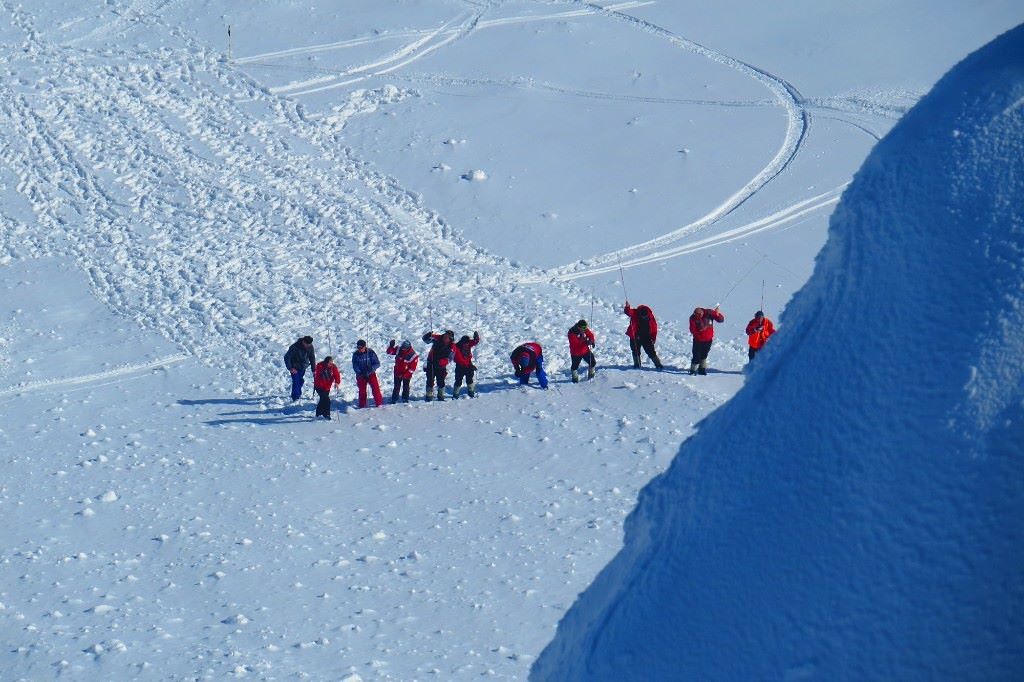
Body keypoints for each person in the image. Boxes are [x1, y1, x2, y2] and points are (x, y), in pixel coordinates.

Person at [623, 302, 662, 369]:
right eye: (642, 316)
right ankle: (637, 365)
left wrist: (653, 338)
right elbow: (628, 312)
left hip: (646, 337)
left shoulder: (650, 317)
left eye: (645, 316)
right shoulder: (635, 312)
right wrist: (627, 307)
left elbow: (654, 328)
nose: (644, 317)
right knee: (635, 351)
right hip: (635, 337)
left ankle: (658, 365)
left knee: (651, 351)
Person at [689, 306, 725, 375]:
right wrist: (700, 330)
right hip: (698, 340)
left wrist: (717, 314)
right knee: (696, 356)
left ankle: (702, 369)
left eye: (699, 315)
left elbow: (721, 320)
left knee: (704, 355)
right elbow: (692, 330)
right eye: (696, 315)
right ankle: (693, 370)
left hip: (708, 340)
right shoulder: (692, 318)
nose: (698, 316)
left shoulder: (709, 313)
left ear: (702, 312)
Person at [421, 330, 455, 401]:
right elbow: (426, 340)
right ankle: (429, 396)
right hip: (431, 364)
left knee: (441, 381)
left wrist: (442, 362)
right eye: (445, 335)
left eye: (447, 337)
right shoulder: (437, 338)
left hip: (441, 366)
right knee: (430, 380)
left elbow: (450, 358)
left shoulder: (452, 346)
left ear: (450, 338)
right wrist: (428, 335)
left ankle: (441, 395)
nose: (445, 337)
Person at [351, 339, 384, 408]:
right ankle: (362, 405)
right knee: (362, 391)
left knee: (375, 389)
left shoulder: (371, 353)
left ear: (365, 347)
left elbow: (377, 363)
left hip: (371, 374)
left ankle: (379, 403)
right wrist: (360, 372)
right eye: (358, 348)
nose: (359, 349)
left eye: (361, 348)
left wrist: (371, 369)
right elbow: (355, 366)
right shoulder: (355, 355)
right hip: (361, 375)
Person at [386, 339, 419, 403]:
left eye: (404, 348)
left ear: (408, 348)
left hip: (407, 374)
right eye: (402, 347)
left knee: (406, 386)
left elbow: (412, 368)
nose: (403, 349)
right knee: (396, 386)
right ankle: (394, 399)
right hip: (397, 372)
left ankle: (405, 398)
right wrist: (391, 347)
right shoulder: (399, 349)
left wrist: (404, 375)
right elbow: (389, 352)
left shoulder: (413, 355)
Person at [283, 335, 316, 400]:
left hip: (303, 367)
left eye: (309, 344)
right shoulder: (294, 347)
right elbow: (287, 357)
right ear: (303, 341)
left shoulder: (310, 347)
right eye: (307, 344)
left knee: (300, 380)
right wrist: (290, 368)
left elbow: (312, 357)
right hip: (294, 368)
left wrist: (314, 369)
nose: (308, 345)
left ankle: (298, 393)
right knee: (295, 381)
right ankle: (295, 397)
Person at [452, 332, 480, 399]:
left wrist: (476, 338)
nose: (467, 345)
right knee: (458, 381)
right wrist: (470, 366)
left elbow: (475, 342)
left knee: (470, 380)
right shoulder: (456, 347)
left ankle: (471, 392)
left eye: (467, 343)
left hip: (468, 365)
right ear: (462, 342)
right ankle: (455, 394)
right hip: (460, 366)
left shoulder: (468, 344)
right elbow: (459, 359)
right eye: (465, 343)